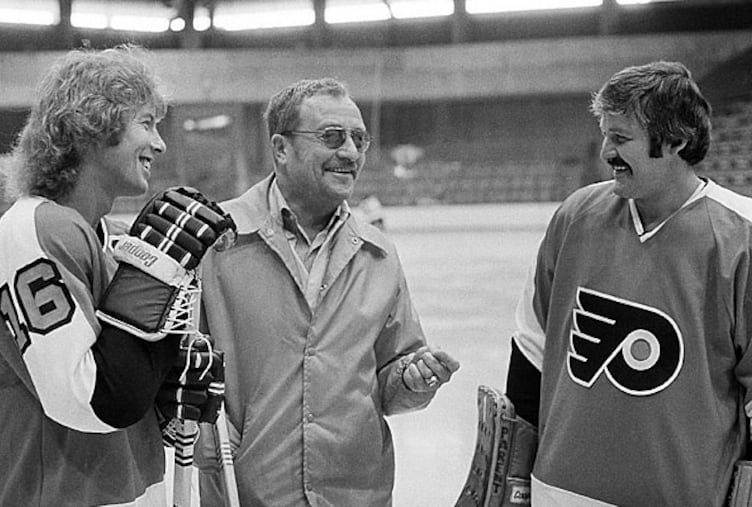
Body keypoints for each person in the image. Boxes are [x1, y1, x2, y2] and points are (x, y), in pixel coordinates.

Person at [194, 77, 460, 506]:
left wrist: (413, 380)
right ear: (281, 148)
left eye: (359, 139)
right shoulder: (216, 242)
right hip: (247, 493)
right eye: (332, 137)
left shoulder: (379, 255)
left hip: (357, 496)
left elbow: (391, 380)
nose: (351, 153)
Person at [0, 45, 230, 506]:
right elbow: (92, 400)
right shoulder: (33, 229)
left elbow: (125, 378)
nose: (159, 144)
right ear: (93, 127)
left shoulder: (109, 238)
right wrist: (153, 281)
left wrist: (164, 380)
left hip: (119, 491)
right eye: (146, 123)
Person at [506, 60, 752, 506]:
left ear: (676, 140)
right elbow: (531, 347)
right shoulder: (576, 215)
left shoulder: (742, 237)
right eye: (605, 134)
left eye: (620, 138)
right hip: (560, 492)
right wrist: (514, 478)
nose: (605, 152)